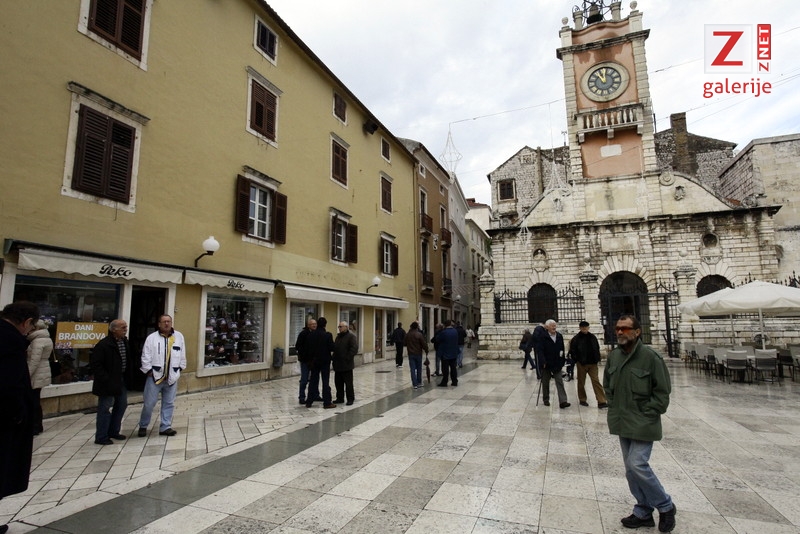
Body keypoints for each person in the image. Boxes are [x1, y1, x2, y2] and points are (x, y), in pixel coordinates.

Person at [604, 315, 675, 532]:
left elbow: (662, 392)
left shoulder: (651, 357)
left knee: (637, 464)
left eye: (625, 328)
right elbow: (607, 384)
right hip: (622, 420)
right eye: (618, 328)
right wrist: (613, 405)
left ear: (637, 332)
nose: (620, 332)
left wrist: (648, 412)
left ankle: (665, 505)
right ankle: (643, 511)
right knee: (630, 470)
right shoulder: (614, 356)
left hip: (643, 422)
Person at [0, 301, 40, 534]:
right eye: (31, 326)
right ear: (26, 322)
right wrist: (17, 416)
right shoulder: (12, 342)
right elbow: (10, 385)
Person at [138, 315, 187, 437]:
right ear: (159, 324)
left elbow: (182, 354)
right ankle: (143, 425)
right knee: (149, 404)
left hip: (171, 377)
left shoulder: (179, 336)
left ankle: (166, 426)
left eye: (168, 321)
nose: (166, 324)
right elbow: (145, 355)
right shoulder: (152, 338)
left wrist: (180, 368)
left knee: (169, 403)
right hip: (154, 377)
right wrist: (149, 371)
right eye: (164, 321)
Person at [91, 319, 130, 445]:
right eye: (122, 327)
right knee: (105, 408)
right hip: (107, 382)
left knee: (122, 404)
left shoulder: (125, 342)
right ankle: (101, 436)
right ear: (113, 330)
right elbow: (96, 364)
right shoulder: (104, 344)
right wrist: (106, 378)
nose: (125, 329)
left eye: (125, 327)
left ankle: (114, 431)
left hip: (121, 379)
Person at [568, 321, 608, 409]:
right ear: (580, 328)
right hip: (582, 363)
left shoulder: (592, 337)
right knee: (581, 382)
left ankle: (601, 401)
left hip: (593, 363)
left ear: (588, 328)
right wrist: (577, 359)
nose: (584, 329)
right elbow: (573, 350)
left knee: (596, 381)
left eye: (586, 327)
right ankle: (582, 399)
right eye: (583, 327)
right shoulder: (576, 339)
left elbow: (596, 348)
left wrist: (597, 358)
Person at [535, 319, 570, 408]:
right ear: (547, 327)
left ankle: (563, 401)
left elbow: (562, 349)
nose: (554, 327)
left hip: (557, 363)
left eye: (555, 325)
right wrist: (543, 361)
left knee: (559, 381)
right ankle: (546, 399)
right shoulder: (542, 337)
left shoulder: (559, 336)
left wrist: (562, 360)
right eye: (552, 325)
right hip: (546, 363)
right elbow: (540, 350)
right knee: (545, 382)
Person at [27, 319, 53, 436]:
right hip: (42, 371)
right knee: (35, 399)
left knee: (33, 400)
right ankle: (38, 425)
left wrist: (26, 375)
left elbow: (34, 361)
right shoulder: (46, 338)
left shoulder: (38, 341)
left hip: (37, 373)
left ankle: (35, 426)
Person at [305, 317, 336, 408]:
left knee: (313, 381)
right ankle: (327, 402)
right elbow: (332, 348)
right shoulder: (327, 335)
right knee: (325, 382)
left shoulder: (310, 335)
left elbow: (308, 349)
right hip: (325, 361)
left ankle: (309, 401)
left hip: (314, 361)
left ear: (317, 324)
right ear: (325, 325)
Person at [333, 321, 358, 406]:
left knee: (348, 383)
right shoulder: (338, 337)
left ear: (346, 327)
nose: (339, 328)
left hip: (346, 365)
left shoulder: (351, 337)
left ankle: (350, 398)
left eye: (341, 327)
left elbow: (354, 349)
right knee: (338, 383)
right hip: (338, 364)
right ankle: (340, 398)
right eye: (339, 327)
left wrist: (347, 358)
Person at [295, 318, 317, 405]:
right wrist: (304, 354)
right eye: (312, 324)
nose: (314, 325)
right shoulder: (303, 334)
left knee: (314, 379)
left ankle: (315, 395)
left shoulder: (316, 333)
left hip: (314, 360)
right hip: (305, 360)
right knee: (304, 379)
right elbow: (298, 346)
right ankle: (302, 397)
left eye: (315, 324)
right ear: (308, 325)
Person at [403, 321, 428, 389]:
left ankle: (414, 384)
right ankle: (419, 382)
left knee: (412, 369)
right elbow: (423, 344)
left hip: (411, 354)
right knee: (419, 368)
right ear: (417, 327)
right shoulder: (419, 334)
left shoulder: (408, 334)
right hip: (418, 353)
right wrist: (426, 350)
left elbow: (404, 343)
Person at [436, 320, 459, 387]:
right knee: (453, 368)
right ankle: (454, 381)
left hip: (445, 353)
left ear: (445, 325)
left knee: (445, 369)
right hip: (454, 352)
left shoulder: (444, 332)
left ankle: (444, 382)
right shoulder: (455, 331)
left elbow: (438, 339)